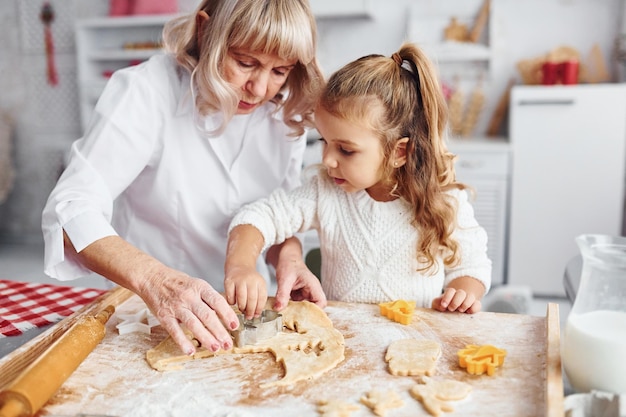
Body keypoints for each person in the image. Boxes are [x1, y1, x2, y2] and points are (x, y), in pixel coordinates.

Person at [41, 0, 327, 356]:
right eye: (245, 63)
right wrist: (156, 280)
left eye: (280, 70)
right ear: (206, 31)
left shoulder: (286, 111)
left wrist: (289, 256)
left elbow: (277, 215)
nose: (259, 88)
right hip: (148, 315)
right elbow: (70, 213)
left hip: (244, 318)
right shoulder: (146, 91)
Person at [224, 42, 492, 319]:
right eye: (324, 142)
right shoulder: (324, 191)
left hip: (417, 344)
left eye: (346, 150)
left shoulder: (445, 201)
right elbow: (258, 216)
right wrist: (242, 265)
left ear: (399, 152)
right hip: (347, 344)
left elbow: (472, 266)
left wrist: (462, 292)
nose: (328, 159)